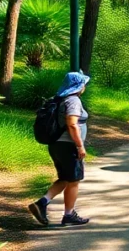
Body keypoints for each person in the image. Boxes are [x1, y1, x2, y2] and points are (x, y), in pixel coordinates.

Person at [27, 71, 91, 227]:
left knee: (65, 178)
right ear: (78, 86)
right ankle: (68, 215)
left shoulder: (59, 99)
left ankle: (42, 203)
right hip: (68, 146)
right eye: (83, 84)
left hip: (56, 145)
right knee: (74, 180)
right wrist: (79, 145)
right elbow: (72, 123)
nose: (84, 87)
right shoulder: (73, 100)